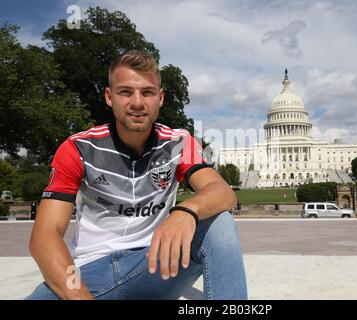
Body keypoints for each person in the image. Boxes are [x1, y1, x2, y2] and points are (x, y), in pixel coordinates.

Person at [26, 50, 247, 300]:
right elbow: (45, 235)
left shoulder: (178, 143)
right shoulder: (77, 148)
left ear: (160, 98)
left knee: (219, 223)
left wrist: (186, 211)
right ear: (109, 97)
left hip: (155, 265)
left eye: (147, 92)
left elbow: (222, 192)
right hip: (89, 272)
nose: (138, 102)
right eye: (126, 92)